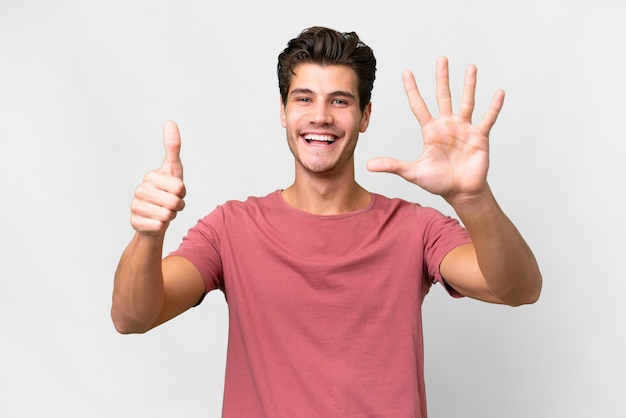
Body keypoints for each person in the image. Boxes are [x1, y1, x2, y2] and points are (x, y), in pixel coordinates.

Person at [112, 26, 542, 417]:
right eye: (304, 99)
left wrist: (472, 198)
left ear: (365, 115)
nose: (320, 116)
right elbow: (132, 317)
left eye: (340, 100)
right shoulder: (231, 228)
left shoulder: (416, 228)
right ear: (283, 111)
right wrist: (147, 236)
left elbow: (519, 289)